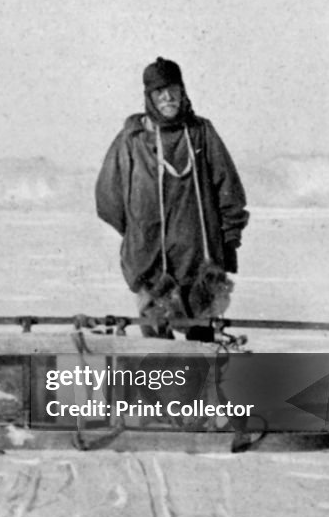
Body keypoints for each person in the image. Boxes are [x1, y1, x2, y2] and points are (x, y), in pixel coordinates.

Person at [95, 57, 248, 340]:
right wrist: (139, 232)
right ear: (149, 97)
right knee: (156, 353)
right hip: (150, 267)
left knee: (199, 350)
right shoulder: (132, 140)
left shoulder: (201, 133)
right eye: (159, 92)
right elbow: (107, 198)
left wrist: (227, 240)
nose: (167, 97)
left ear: (182, 91)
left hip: (198, 263)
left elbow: (230, 191)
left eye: (172, 89)